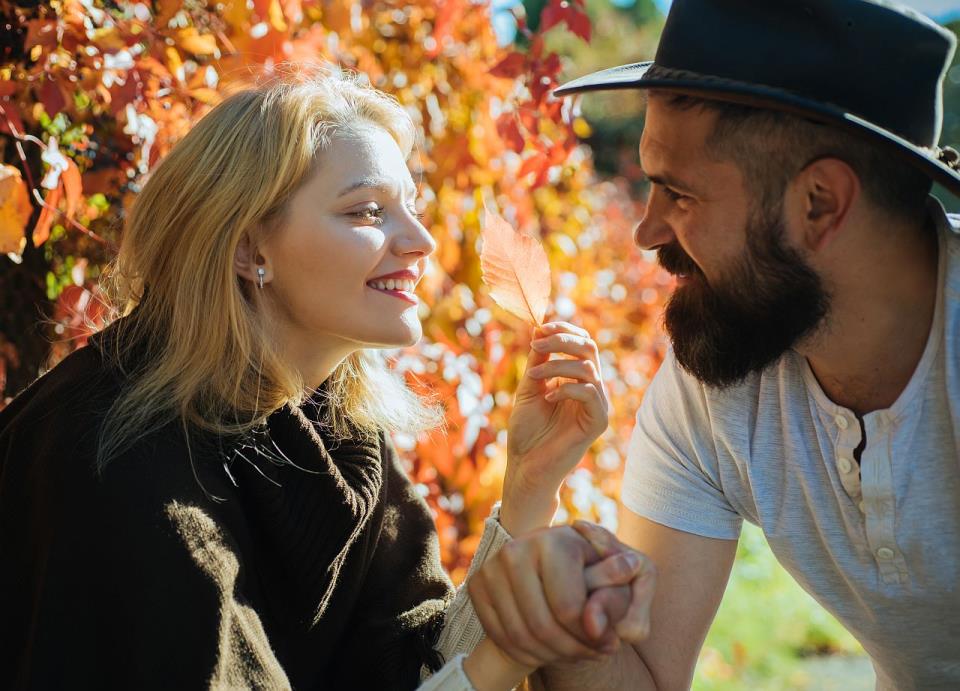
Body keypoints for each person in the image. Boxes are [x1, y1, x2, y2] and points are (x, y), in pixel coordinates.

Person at [0, 67, 654, 690]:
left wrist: (531, 483)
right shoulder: (129, 474)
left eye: (411, 206)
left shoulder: (333, 433)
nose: (422, 241)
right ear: (249, 248)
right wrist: (510, 651)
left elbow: (420, 669)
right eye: (367, 211)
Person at [467, 1, 960, 689]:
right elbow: (646, 675)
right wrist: (569, 622)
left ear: (820, 203)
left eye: (677, 194)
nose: (645, 232)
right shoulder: (719, 374)